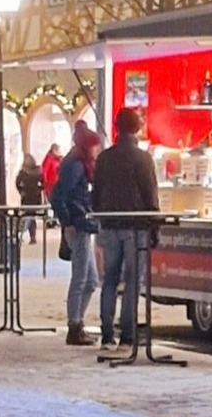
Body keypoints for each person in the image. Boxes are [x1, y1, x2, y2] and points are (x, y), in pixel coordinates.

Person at [91, 107, 160, 351]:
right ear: (137, 128)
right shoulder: (142, 158)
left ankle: (107, 334)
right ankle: (128, 336)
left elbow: (96, 193)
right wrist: (154, 227)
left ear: (117, 127)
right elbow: (150, 194)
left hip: (109, 225)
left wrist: (100, 219)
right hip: (135, 227)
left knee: (109, 279)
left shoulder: (104, 158)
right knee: (132, 281)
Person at [50, 127, 102, 345]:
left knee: (90, 280)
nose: (96, 150)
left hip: (82, 224)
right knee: (81, 279)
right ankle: (74, 327)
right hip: (77, 226)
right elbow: (58, 195)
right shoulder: (76, 166)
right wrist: (67, 220)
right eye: (94, 146)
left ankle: (77, 322)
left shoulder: (77, 163)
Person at [16, 154, 44, 243]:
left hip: (33, 196)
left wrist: (39, 189)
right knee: (30, 216)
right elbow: (17, 182)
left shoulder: (35, 171)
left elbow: (43, 181)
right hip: (28, 196)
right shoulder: (24, 172)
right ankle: (32, 236)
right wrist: (21, 190)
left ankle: (23, 234)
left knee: (29, 216)